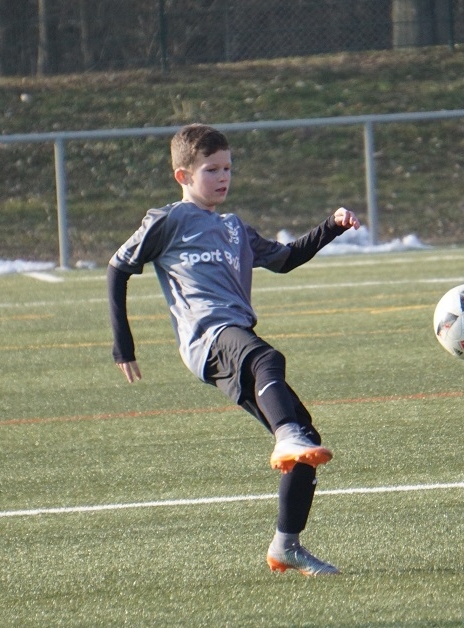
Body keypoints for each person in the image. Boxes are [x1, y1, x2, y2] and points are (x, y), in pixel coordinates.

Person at [107, 123, 360, 576]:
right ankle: (286, 435)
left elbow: (285, 259)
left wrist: (332, 226)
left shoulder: (233, 228)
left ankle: (286, 546)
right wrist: (123, 344)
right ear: (183, 176)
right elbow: (118, 268)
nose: (222, 177)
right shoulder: (167, 221)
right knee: (268, 360)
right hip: (208, 338)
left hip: (234, 338)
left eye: (227, 168)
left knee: (307, 440)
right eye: (211, 169)